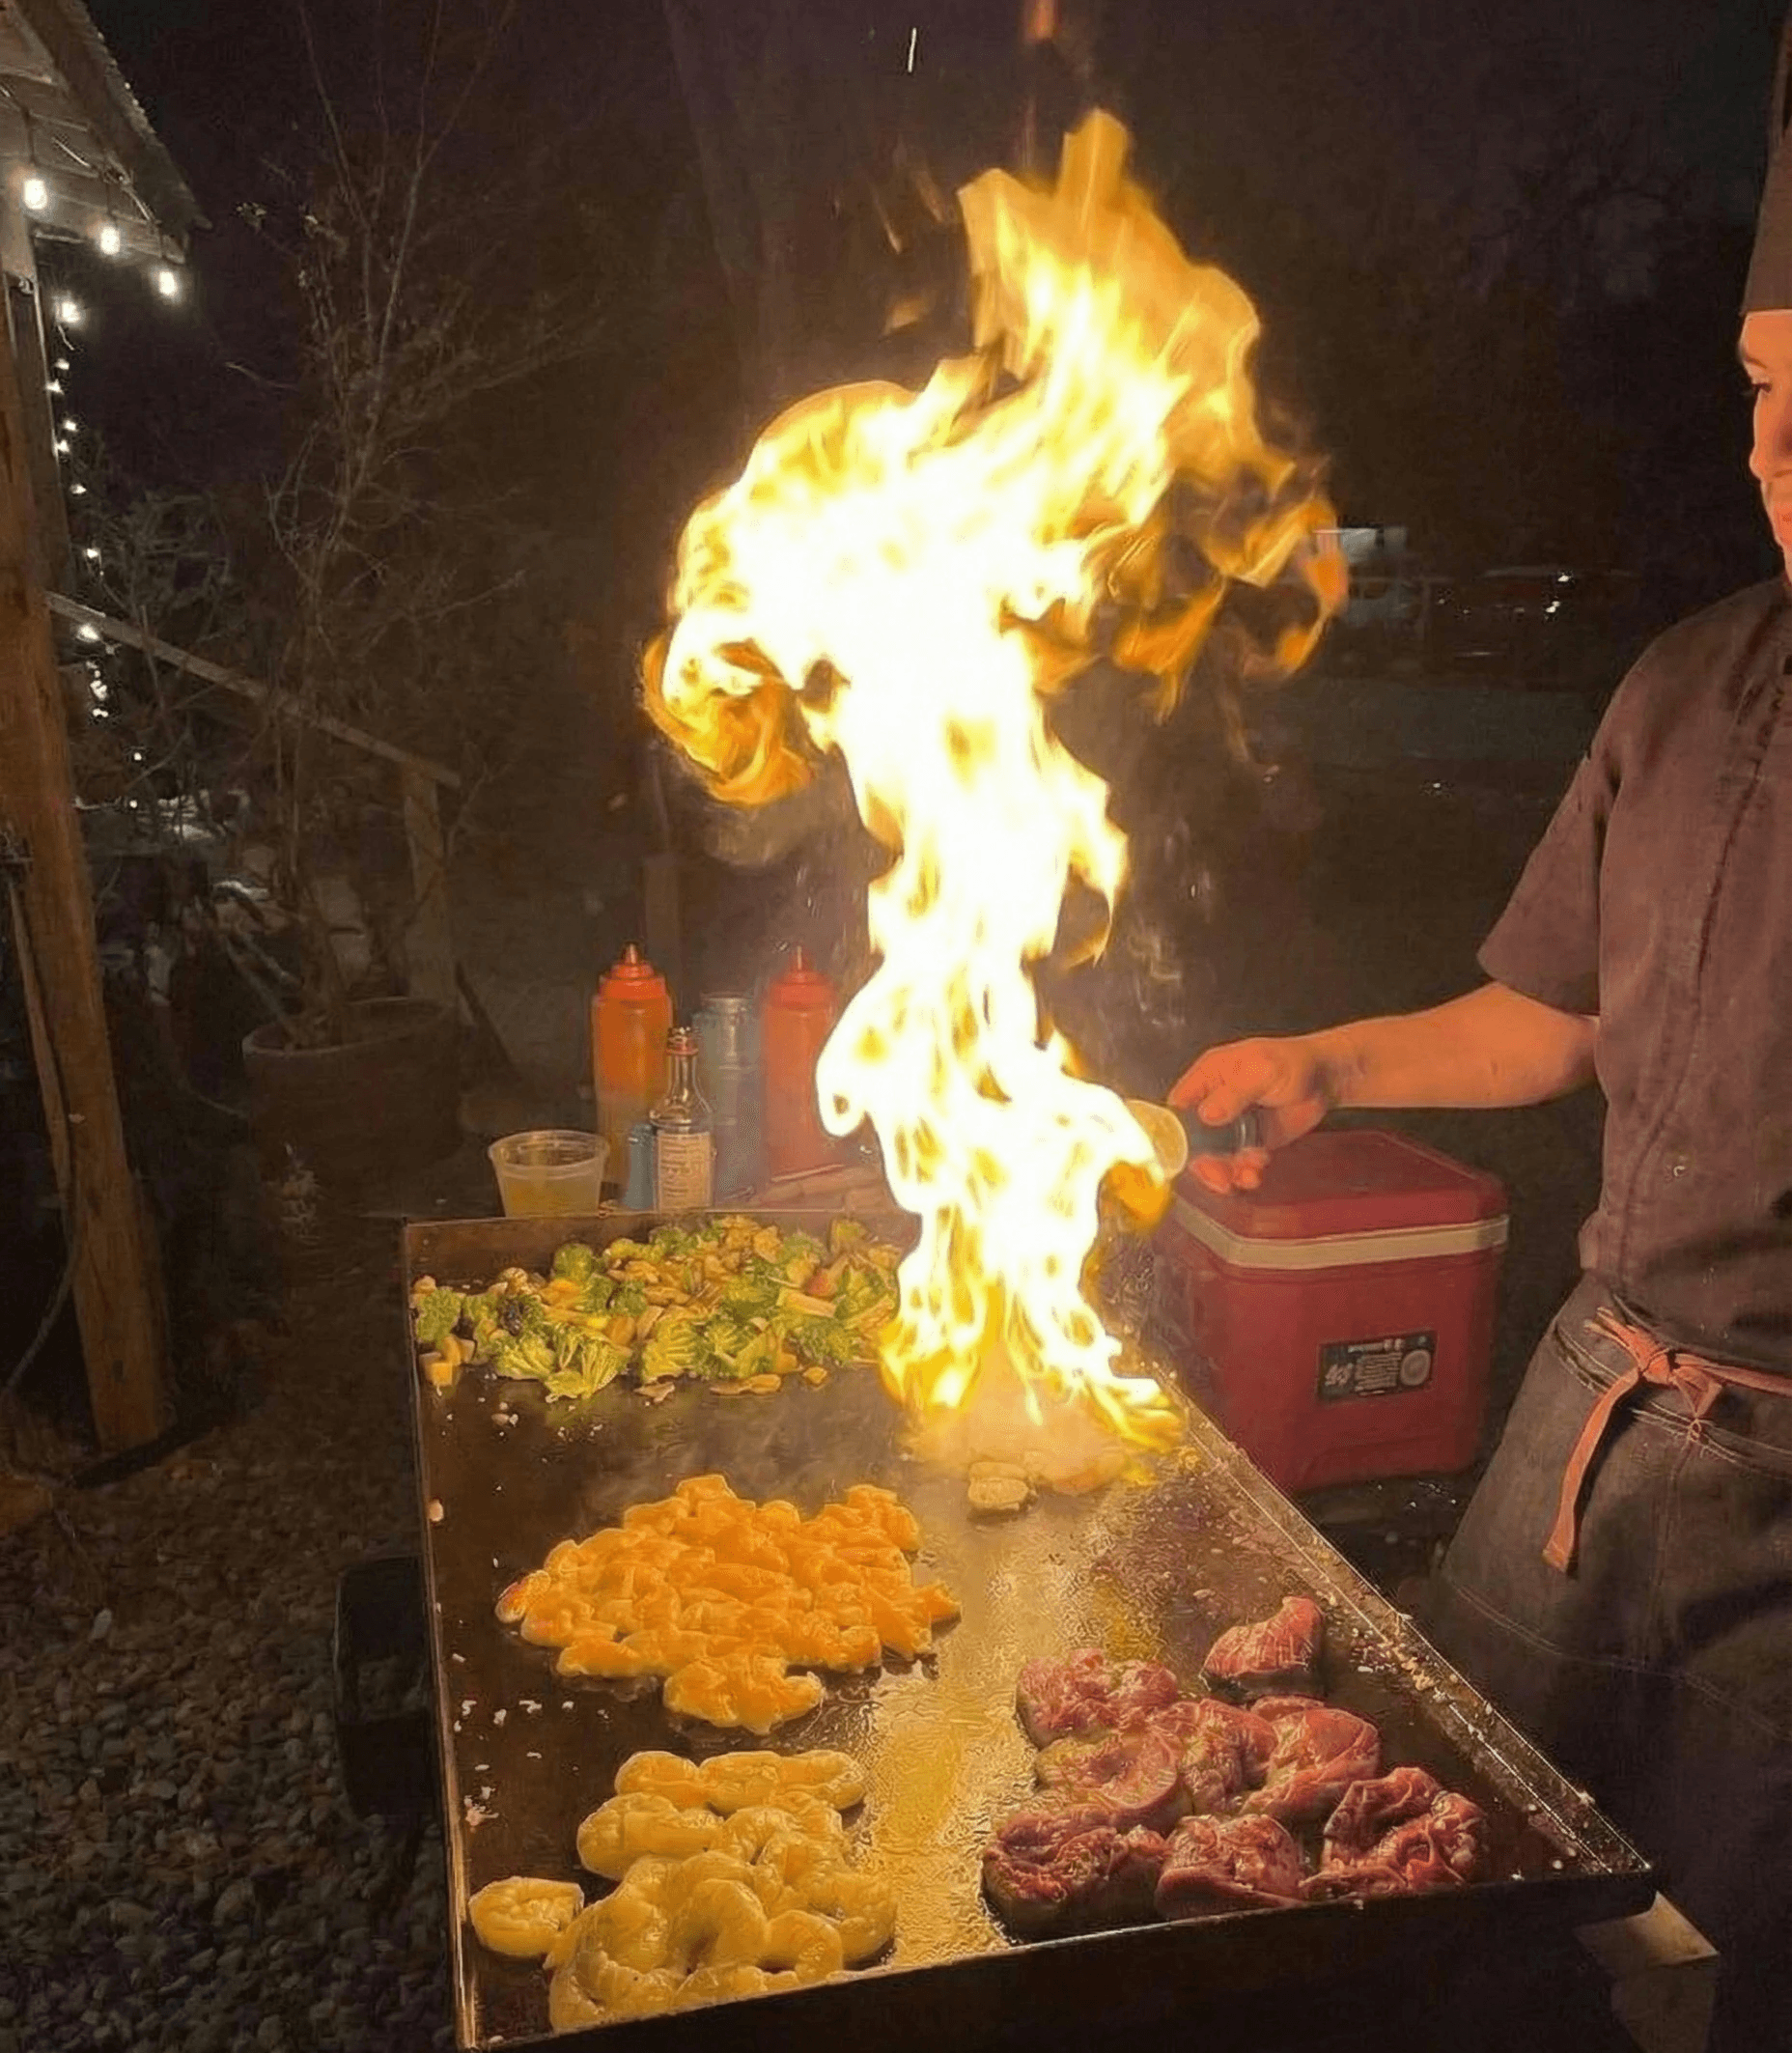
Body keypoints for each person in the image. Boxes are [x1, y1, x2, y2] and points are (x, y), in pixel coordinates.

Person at [1167, 29, 1792, 2051]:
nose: (1783, 445)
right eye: (1770, 392)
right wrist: (1325, 1065)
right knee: (1434, 1858)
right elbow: (1555, 1018)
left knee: (1734, 1963)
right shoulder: (1686, 687)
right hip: (1593, 1423)